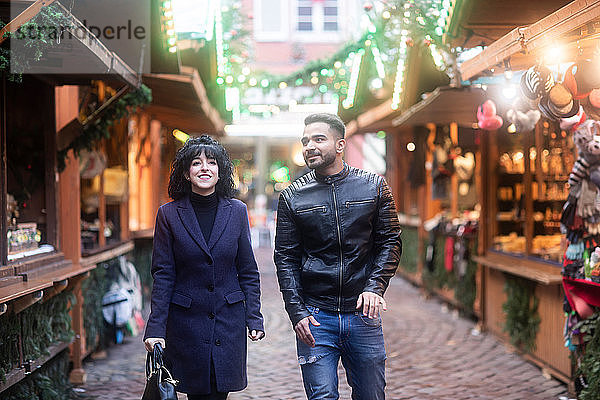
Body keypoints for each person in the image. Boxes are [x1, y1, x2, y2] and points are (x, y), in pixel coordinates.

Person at [274, 113, 402, 400]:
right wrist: (297, 313)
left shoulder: (373, 186)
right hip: (316, 318)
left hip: (363, 315)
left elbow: (390, 241)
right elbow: (285, 258)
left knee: (371, 395)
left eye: (319, 139)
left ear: (340, 144)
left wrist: (374, 287)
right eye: (305, 140)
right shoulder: (292, 196)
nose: (309, 146)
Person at [144, 135, 265, 400]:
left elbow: (248, 270)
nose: (205, 168)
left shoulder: (237, 211)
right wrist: (155, 329)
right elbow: (163, 275)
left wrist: (254, 317)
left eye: (211, 162)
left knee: (218, 393)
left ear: (220, 171)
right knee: (195, 393)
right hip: (186, 324)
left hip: (227, 320)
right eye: (197, 163)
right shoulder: (169, 214)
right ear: (187, 173)